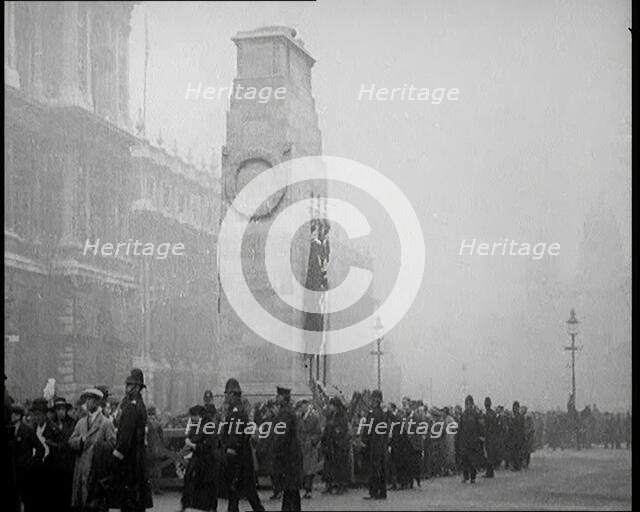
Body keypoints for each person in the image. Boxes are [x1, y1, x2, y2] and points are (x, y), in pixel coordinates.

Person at [220, 378, 265, 512]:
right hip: (242, 458)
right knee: (237, 494)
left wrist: (230, 449)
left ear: (232, 394)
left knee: (245, 493)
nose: (226, 397)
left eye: (227, 394)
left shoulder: (236, 412)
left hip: (238, 458)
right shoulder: (238, 410)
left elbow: (235, 434)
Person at [69, 388, 117, 512]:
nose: (88, 403)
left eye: (91, 400)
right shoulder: (81, 423)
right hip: (81, 472)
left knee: (96, 506)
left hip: (97, 473)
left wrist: (98, 446)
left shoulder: (106, 424)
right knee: (83, 505)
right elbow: (71, 441)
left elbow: (113, 445)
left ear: (97, 402)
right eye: (87, 400)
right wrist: (81, 441)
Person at [112, 369, 153, 512]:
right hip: (139, 461)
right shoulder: (140, 406)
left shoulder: (132, 408)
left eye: (130, 385)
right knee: (138, 502)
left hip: (130, 462)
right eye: (127, 385)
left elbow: (124, 440)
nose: (127, 389)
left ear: (137, 388)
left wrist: (116, 459)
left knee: (129, 502)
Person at [180, 405, 221, 511]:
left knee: (207, 487)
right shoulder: (198, 425)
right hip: (198, 460)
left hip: (208, 461)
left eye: (194, 416)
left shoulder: (209, 426)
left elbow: (209, 445)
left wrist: (193, 445)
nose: (192, 419)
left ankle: (207, 507)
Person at [272, 386, 303, 511]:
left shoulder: (285, 413)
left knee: (291, 489)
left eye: (278, 396)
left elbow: (281, 435)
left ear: (283, 397)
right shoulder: (286, 411)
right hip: (290, 455)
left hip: (289, 456)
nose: (276, 398)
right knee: (290, 490)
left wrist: (274, 450)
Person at [11, 402, 45, 512]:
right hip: (13, 472)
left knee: (27, 500)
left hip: (25, 472)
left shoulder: (27, 431)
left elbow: (41, 449)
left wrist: (32, 464)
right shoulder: (9, 430)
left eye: (12, 413)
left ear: (18, 415)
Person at [321, 397, 350, 495]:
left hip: (339, 444)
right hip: (330, 444)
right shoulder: (330, 415)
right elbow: (327, 428)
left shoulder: (342, 416)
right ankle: (328, 485)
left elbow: (341, 430)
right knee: (328, 466)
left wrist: (335, 433)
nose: (330, 407)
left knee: (340, 466)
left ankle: (341, 485)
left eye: (332, 405)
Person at [362, 389, 387, 500]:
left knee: (374, 468)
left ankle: (374, 492)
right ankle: (382, 492)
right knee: (381, 468)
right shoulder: (382, 413)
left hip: (374, 444)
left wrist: (364, 440)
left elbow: (368, 428)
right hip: (381, 444)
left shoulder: (373, 413)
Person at [297, 399, 322, 499]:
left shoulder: (314, 417)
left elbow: (318, 432)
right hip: (302, 445)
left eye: (304, 406)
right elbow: (297, 430)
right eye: (301, 407)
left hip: (310, 446)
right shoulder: (299, 417)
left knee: (310, 469)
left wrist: (312, 441)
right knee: (304, 468)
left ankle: (309, 489)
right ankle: (306, 489)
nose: (302, 408)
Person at [456, 395, 483, 484]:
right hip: (464, 441)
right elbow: (460, 428)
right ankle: (465, 476)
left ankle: (473, 477)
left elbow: (480, 427)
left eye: (469, 403)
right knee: (465, 459)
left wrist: (480, 437)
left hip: (473, 441)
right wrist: (458, 439)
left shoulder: (475, 414)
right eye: (466, 403)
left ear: (472, 404)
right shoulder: (463, 415)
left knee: (473, 460)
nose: (468, 405)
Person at [483, 397, 501, 478]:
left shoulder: (487, 414)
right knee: (490, 454)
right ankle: (490, 472)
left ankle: (489, 472)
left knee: (488, 454)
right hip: (493, 437)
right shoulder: (493, 413)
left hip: (489, 436)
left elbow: (486, 426)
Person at [509, 401, 526, 471]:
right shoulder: (514, 416)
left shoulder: (519, 417)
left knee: (517, 451)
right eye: (514, 407)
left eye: (516, 407)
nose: (514, 409)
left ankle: (517, 466)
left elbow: (521, 427)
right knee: (514, 452)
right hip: (514, 436)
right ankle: (516, 465)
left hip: (518, 436)